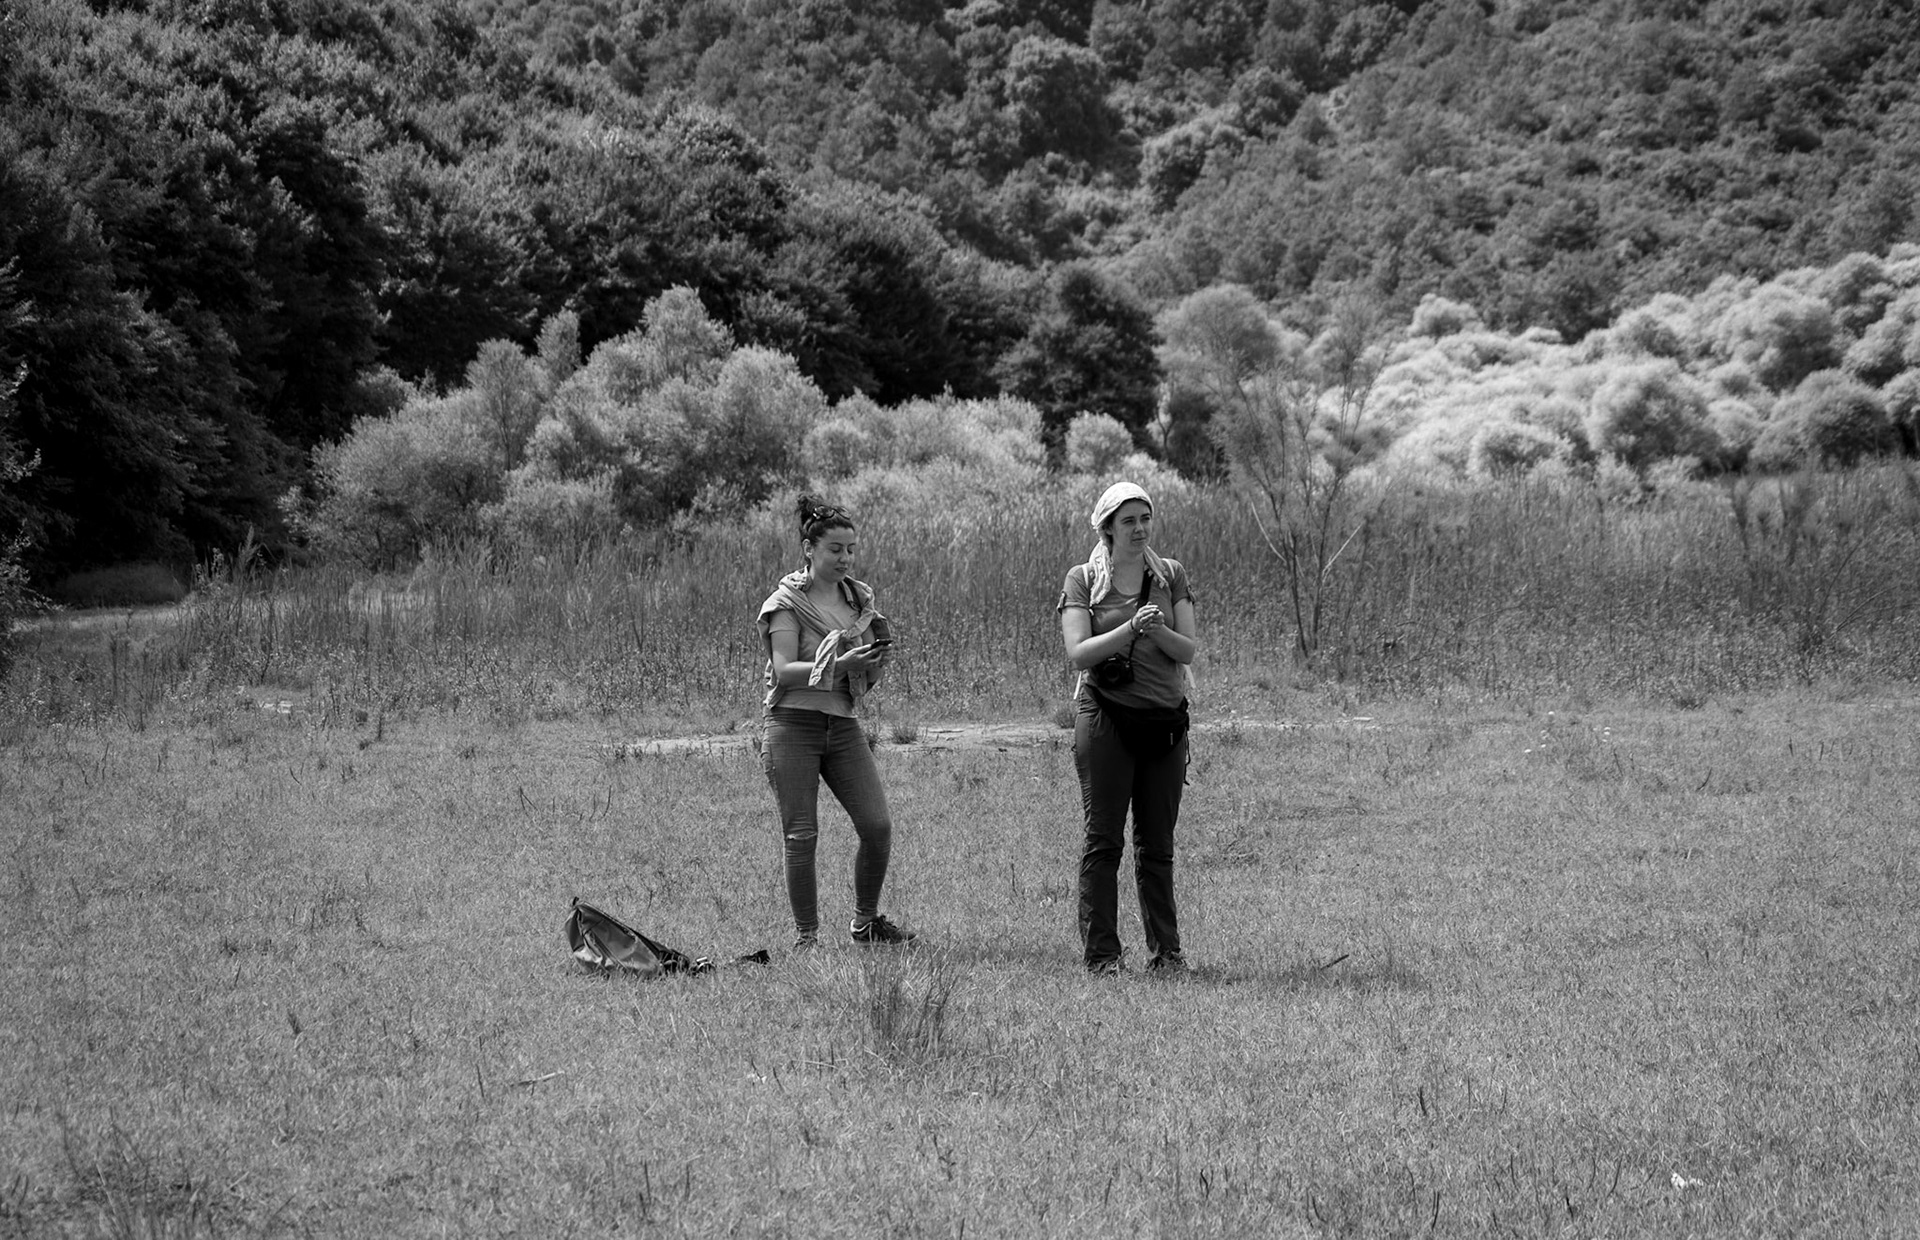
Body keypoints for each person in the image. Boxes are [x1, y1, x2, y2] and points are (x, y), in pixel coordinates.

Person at [754, 495, 915, 951]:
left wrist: (874, 661)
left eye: (850, 549)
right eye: (834, 549)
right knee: (801, 834)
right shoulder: (785, 602)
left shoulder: (856, 599)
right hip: (792, 725)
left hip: (841, 725)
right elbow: (783, 669)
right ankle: (807, 939)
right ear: (809, 549)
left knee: (877, 826)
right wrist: (840, 665)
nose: (845, 558)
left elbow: (862, 672)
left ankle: (866, 924)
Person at [1057, 481, 1197, 975]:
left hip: (1166, 724)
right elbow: (1078, 654)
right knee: (1104, 840)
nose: (1139, 529)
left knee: (1157, 845)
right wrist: (1130, 628)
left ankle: (1167, 955)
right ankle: (1102, 958)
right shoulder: (1082, 579)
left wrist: (1159, 630)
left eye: (1145, 519)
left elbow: (1188, 651)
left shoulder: (1171, 574)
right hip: (1105, 718)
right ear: (1107, 529)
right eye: (1128, 521)